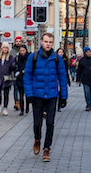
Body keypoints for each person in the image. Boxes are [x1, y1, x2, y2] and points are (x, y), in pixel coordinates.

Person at [24, 33, 68, 163]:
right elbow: (27, 76)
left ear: (53, 43)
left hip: (52, 95)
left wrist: (63, 96)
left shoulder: (57, 58)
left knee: (50, 123)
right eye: (46, 41)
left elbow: (62, 78)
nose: (48, 44)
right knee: (37, 123)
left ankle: (46, 149)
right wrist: (29, 94)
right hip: (37, 95)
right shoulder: (34, 57)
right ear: (41, 42)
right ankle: (37, 139)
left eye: (50, 42)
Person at [0, 43, 16, 115]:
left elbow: (13, 67)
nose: (5, 49)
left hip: (6, 77)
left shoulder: (11, 58)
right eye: (4, 47)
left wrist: (11, 68)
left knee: (6, 93)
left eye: (7, 48)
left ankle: (5, 108)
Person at [76, 46, 91, 111]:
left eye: (89, 51)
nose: (89, 53)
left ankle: (90, 102)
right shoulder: (82, 60)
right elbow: (79, 70)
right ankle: (88, 105)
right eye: (87, 52)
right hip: (85, 79)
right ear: (85, 53)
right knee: (87, 92)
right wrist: (78, 79)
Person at [14, 45, 29, 115]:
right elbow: (15, 66)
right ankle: (22, 109)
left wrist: (26, 70)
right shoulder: (17, 58)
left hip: (27, 78)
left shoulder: (29, 57)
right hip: (19, 78)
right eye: (21, 51)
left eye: (23, 50)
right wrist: (16, 72)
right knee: (21, 94)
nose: (22, 52)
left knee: (27, 94)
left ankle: (27, 107)